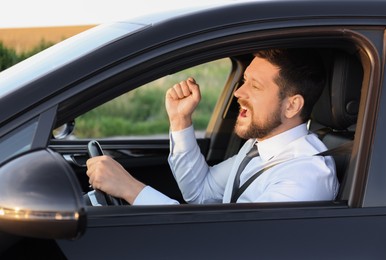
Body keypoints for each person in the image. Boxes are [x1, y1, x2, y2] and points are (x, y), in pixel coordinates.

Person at [86, 48, 339, 205]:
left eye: (256, 86)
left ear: (292, 106)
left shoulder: (304, 174)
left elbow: (226, 245)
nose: (239, 92)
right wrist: (180, 120)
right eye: (244, 80)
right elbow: (200, 193)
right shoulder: (257, 148)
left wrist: (130, 189)